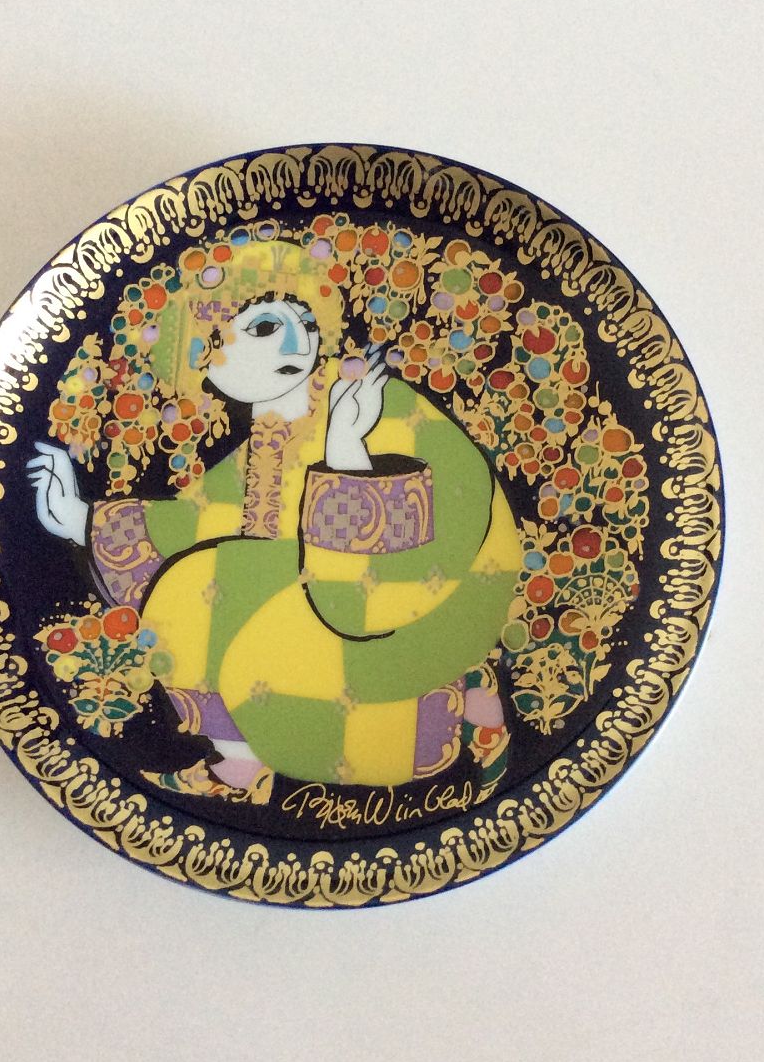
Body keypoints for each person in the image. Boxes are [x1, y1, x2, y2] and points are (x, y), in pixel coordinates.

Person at [28, 235, 521, 796]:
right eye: (265, 327)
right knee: (197, 582)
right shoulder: (266, 434)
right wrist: (80, 520)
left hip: (425, 605)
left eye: (305, 323)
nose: (296, 340)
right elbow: (197, 523)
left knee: (210, 584)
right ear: (201, 352)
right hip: (319, 599)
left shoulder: (368, 399)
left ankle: (463, 692)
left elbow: (450, 515)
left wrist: (346, 453)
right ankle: (240, 757)